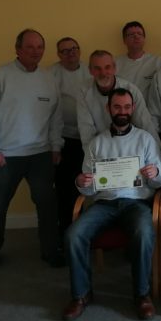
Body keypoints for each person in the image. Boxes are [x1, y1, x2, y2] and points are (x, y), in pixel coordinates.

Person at [62, 88, 161, 321]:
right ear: (109, 109)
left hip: (136, 202)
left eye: (127, 107)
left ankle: (142, 294)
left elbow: (160, 181)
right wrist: (81, 182)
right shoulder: (97, 144)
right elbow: (89, 188)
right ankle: (81, 294)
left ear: (133, 109)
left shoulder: (145, 139)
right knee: (73, 235)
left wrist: (155, 172)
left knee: (143, 231)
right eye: (117, 107)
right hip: (104, 204)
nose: (122, 112)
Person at [0, 29, 64, 268]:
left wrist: (56, 146)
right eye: (30, 47)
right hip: (4, 155)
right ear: (17, 49)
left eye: (39, 47)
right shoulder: (0, 75)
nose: (36, 52)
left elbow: (56, 117)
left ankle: (50, 250)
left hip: (40, 155)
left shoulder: (49, 79)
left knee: (47, 204)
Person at [49, 36, 92, 240]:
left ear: (79, 50)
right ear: (58, 54)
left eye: (74, 48)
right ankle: (65, 232)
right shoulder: (51, 74)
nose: (70, 53)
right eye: (65, 50)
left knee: (89, 185)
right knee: (65, 189)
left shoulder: (89, 71)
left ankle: (87, 230)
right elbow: (51, 112)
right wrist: (55, 146)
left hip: (90, 139)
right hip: (64, 140)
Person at [77, 50, 160, 149]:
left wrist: (158, 153)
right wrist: (90, 159)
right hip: (101, 146)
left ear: (114, 68)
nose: (103, 73)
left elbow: (145, 125)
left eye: (107, 67)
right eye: (97, 68)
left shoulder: (130, 90)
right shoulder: (84, 92)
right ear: (90, 70)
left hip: (130, 145)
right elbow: (86, 131)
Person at [115, 21, 161, 100]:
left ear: (144, 38)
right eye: (131, 34)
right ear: (124, 40)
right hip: (123, 110)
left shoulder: (157, 62)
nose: (136, 36)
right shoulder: (116, 63)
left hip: (149, 111)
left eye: (139, 34)